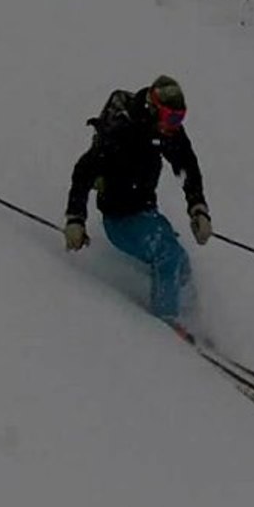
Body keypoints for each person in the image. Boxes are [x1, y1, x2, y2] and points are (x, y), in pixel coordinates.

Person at [63, 75, 212, 324]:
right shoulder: (122, 130)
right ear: (153, 108)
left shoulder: (166, 131)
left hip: (147, 211)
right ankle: (168, 321)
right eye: (172, 118)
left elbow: (187, 166)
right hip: (119, 218)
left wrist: (198, 208)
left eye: (180, 118)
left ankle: (193, 321)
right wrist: (76, 219)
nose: (175, 125)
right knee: (167, 254)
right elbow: (84, 171)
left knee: (182, 263)